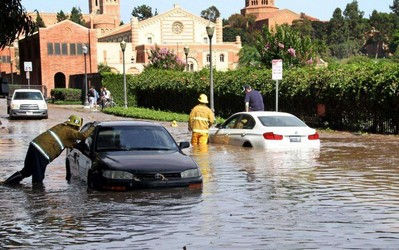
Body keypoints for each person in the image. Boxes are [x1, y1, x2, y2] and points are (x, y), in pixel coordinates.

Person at [3, 115, 94, 186]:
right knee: (38, 177)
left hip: (33, 146)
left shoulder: (61, 127)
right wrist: (93, 126)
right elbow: (83, 136)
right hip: (42, 152)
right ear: (76, 126)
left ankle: (6, 184)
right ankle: (37, 200)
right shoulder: (70, 131)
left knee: (27, 171)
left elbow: (70, 143)